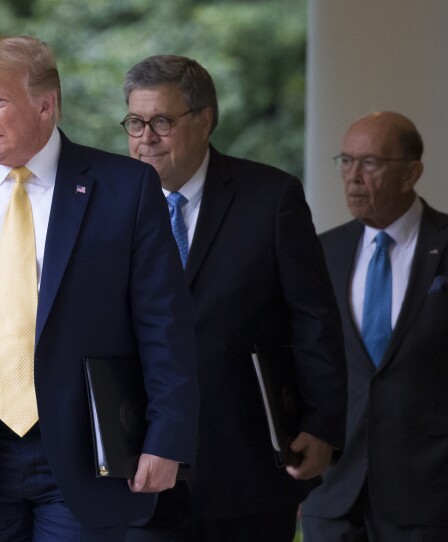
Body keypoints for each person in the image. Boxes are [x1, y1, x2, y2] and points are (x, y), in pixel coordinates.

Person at [0, 36, 199, 541]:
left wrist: (167, 437)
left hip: (88, 446)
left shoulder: (126, 188)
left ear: (46, 105)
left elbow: (164, 326)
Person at [120, 55, 347, 542]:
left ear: (205, 119)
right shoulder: (108, 207)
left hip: (246, 473)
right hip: (138, 474)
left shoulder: (271, 197)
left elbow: (315, 319)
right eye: (135, 123)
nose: (145, 138)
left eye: (161, 121)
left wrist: (323, 424)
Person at [301, 111, 448, 540]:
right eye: (345, 161)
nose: (353, 177)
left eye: (370, 163)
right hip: (332, 492)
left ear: (411, 173)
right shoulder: (320, 252)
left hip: (428, 496)